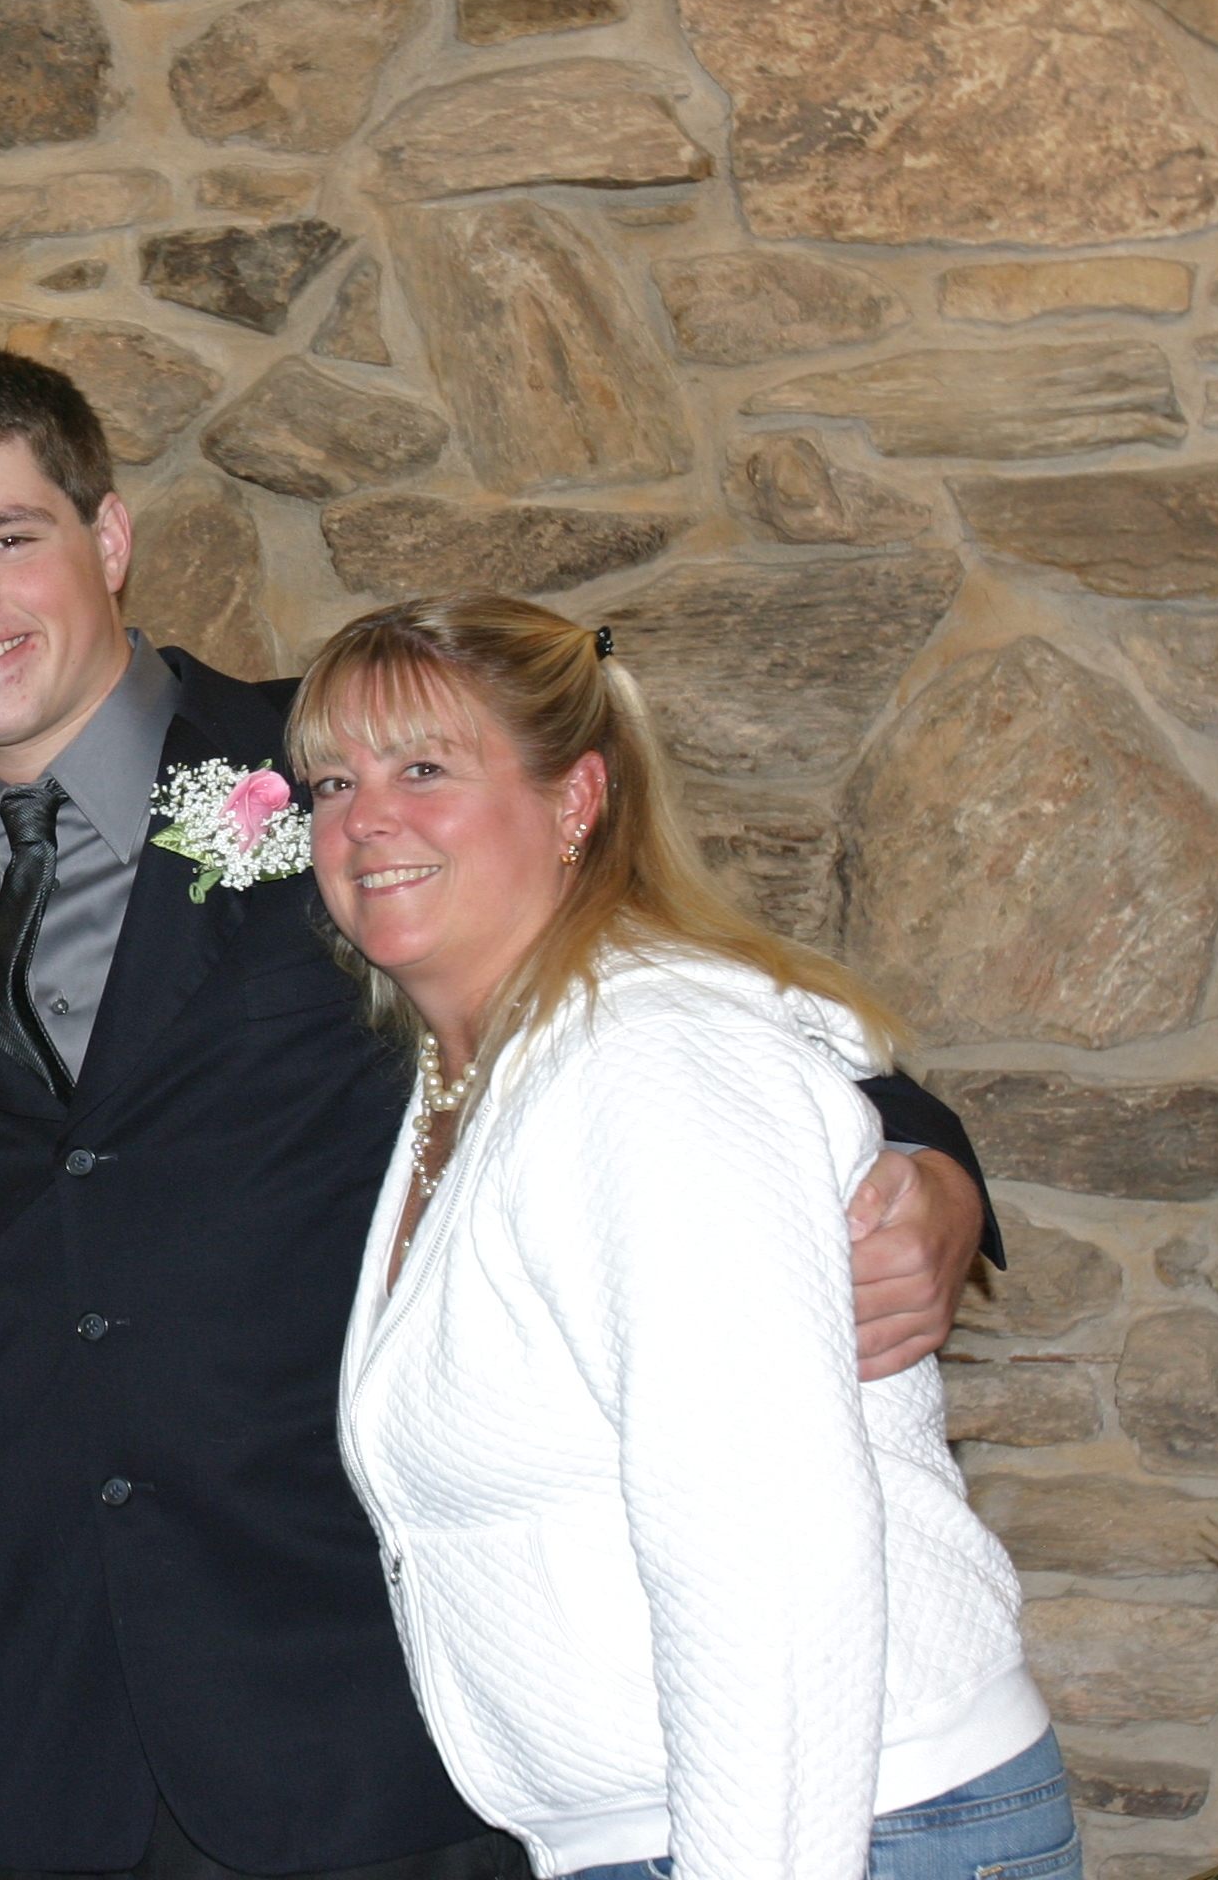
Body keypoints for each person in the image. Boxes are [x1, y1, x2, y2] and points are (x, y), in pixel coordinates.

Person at [0, 345, 998, 1880]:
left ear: (110, 538)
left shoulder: (338, 784)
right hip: (76, 1733)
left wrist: (922, 1159)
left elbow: (658, 981)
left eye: (9, 536)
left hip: (368, 1714)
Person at [303, 595, 1065, 1880]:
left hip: (839, 1827)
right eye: (334, 781)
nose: (365, 817)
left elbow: (767, 1552)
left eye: (424, 767)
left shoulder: (647, 1062)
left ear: (576, 799)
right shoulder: (476, 1076)